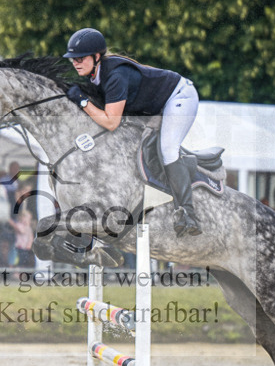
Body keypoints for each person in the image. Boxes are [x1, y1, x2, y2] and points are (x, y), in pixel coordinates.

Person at [63, 27, 201, 236]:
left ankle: (188, 213)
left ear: (96, 56)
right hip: (155, 107)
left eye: (81, 58)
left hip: (179, 97)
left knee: (168, 149)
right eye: (73, 58)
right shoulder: (95, 76)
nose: (75, 62)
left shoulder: (115, 75)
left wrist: (83, 102)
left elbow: (111, 123)